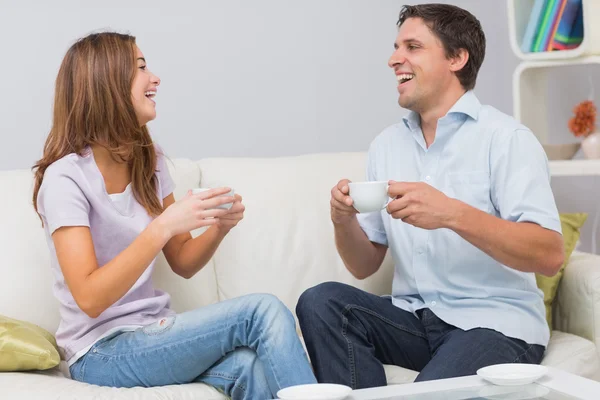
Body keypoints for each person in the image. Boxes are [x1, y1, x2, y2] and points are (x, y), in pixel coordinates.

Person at [32, 32, 316, 399]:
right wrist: (162, 226)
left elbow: (181, 260)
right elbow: (89, 297)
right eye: (141, 68)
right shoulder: (65, 178)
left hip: (152, 331)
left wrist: (218, 228)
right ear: (109, 84)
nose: (155, 78)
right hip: (99, 351)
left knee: (250, 366)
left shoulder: (148, 161)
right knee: (262, 311)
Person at [296, 4, 564, 389]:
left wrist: (451, 213)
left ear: (457, 58)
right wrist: (343, 220)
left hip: (495, 324)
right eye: (395, 47)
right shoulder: (386, 146)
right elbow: (364, 264)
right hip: (415, 319)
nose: (394, 59)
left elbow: (549, 255)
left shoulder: (506, 140)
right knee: (321, 301)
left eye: (412, 46)